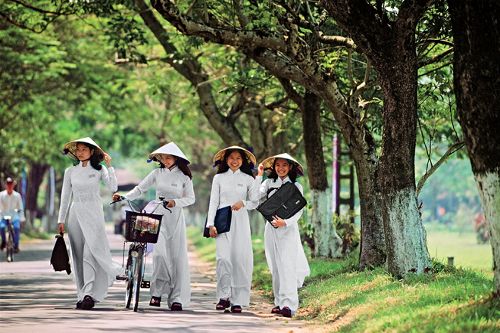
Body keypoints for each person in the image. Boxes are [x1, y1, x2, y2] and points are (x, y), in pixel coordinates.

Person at [113, 142, 195, 311]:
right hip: (156, 216)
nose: (165, 160)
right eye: (163, 158)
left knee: (177, 258)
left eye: (169, 157)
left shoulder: (184, 177)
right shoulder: (156, 173)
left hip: (176, 219)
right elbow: (140, 189)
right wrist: (124, 197)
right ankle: (156, 293)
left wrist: (175, 202)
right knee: (159, 255)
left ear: (176, 158)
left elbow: (191, 199)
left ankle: (176, 297)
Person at [57, 137, 121, 310]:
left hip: (94, 214)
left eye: (84, 149)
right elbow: (65, 198)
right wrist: (61, 220)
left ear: (92, 152)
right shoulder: (70, 172)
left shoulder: (99, 170)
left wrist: (110, 166)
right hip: (75, 214)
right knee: (77, 255)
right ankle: (81, 294)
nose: (80, 152)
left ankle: (89, 293)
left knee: (90, 253)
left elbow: (113, 187)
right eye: (77, 150)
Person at [254, 153, 310, 318]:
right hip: (271, 229)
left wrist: (285, 223)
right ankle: (279, 302)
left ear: (290, 167)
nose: (281, 168)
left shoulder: (296, 187)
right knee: (276, 267)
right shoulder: (268, 183)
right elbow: (256, 198)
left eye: (284, 165)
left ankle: (289, 305)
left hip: (288, 230)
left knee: (287, 265)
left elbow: (299, 211)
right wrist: (259, 176)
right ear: (273, 167)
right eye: (278, 165)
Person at [206, 146, 260, 313]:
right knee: (223, 259)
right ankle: (223, 296)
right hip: (222, 222)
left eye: (238, 158)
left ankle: (238, 300)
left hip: (241, 222)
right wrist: (210, 224)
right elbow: (213, 201)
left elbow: (255, 202)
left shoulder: (248, 179)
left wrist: (243, 203)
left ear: (243, 161)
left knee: (240, 260)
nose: (234, 161)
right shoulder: (219, 178)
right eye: (231, 157)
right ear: (225, 160)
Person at [0, 177, 26, 253]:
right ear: (5, 185)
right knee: (1, 227)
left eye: (11, 184)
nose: (9, 186)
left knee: (17, 228)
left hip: (14, 216)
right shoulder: (1, 195)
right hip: (3, 216)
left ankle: (16, 245)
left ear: (13, 185)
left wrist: (22, 218)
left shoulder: (17, 195)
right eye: (8, 184)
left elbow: (20, 207)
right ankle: (4, 241)